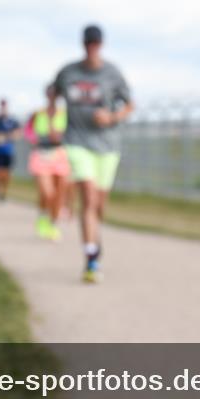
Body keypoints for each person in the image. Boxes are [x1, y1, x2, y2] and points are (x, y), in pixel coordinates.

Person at [54, 24, 134, 283]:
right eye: (88, 43)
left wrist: (111, 117)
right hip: (77, 141)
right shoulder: (68, 73)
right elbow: (52, 94)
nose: (92, 47)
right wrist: (54, 120)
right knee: (87, 198)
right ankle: (90, 261)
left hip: (107, 146)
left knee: (98, 206)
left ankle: (94, 242)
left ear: (101, 45)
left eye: (95, 43)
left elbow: (129, 104)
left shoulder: (112, 73)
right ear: (83, 44)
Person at [25, 84, 72, 241]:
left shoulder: (65, 114)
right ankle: (44, 216)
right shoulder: (38, 113)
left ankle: (53, 223)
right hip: (41, 154)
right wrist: (33, 139)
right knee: (48, 193)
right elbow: (28, 130)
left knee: (59, 193)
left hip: (59, 154)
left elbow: (69, 132)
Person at [0, 99, 21, 202]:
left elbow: (18, 133)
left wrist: (6, 136)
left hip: (8, 151)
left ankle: (3, 192)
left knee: (6, 174)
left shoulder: (12, 121)